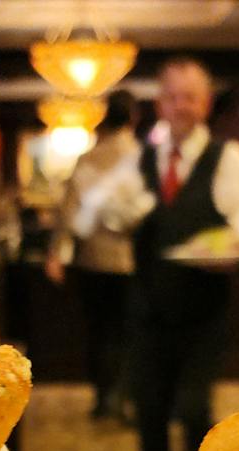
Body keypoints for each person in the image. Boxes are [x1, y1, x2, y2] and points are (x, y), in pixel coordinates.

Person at [102, 57, 239, 451]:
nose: (181, 106)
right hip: (146, 310)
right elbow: (111, 215)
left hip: (203, 312)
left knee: (195, 410)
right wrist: (124, 213)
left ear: (206, 103)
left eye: (190, 97)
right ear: (160, 103)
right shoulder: (139, 159)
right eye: (173, 97)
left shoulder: (227, 159)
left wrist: (230, 249)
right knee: (150, 413)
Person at [44, 90, 140, 422]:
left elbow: (67, 211)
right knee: (128, 333)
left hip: (91, 261)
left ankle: (102, 399)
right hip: (130, 262)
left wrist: (55, 253)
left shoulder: (88, 159)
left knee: (98, 332)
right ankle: (123, 398)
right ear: (133, 117)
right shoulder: (141, 157)